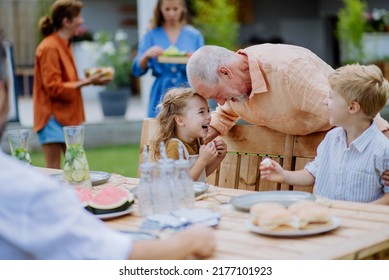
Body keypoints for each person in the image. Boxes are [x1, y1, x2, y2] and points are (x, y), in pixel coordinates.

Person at [0, 35, 216, 260]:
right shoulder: (26, 191)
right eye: (202, 112)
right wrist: (186, 243)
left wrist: (211, 159)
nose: (208, 116)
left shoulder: (195, 143)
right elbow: (106, 255)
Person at [186, 44, 389, 141]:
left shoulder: (290, 72)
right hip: (296, 160)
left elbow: (356, 112)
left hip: (335, 146)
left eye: (216, 95)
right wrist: (196, 140)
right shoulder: (235, 90)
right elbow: (225, 114)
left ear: (225, 72)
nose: (220, 103)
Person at [260, 64, 389, 204]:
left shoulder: (382, 150)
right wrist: (283, 175)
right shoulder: (332, 138)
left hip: (358, 222)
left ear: (352, 107)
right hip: (324, 217)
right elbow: (313, 173)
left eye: (331, 97)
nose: (324, 101)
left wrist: (359, 213)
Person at [33, 0, 111, 169]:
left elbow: (67, 82)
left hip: (68, 117)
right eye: (78, 17)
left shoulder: (64, 44)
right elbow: (53, 87)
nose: (82, 21)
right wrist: (86, 82)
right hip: (52, 117)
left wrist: (90, 81)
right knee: (53, 171)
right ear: (66, 21)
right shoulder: (49, 48)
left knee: (78, 169)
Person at [132, 0, 204, 118]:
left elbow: (203, 69)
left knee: (188, 129)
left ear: (182, 9)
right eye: (167, 9)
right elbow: (137, 69)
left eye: (175, 9)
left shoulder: (194, 35)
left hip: (187, 91)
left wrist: (195, 59)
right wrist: (147, 55)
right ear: (160, 10)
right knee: (158, 130)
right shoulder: (151, 35)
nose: (171, 13)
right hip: (160, 92)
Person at [150, 87, 227, 182]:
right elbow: (180, 183)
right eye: (201, 112)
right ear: (180, 120)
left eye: (208, 111)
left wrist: (219, 157)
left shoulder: (197, 141)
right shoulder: (174, 146)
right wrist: (202, 160)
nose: (209, 117)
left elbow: (201, 173)